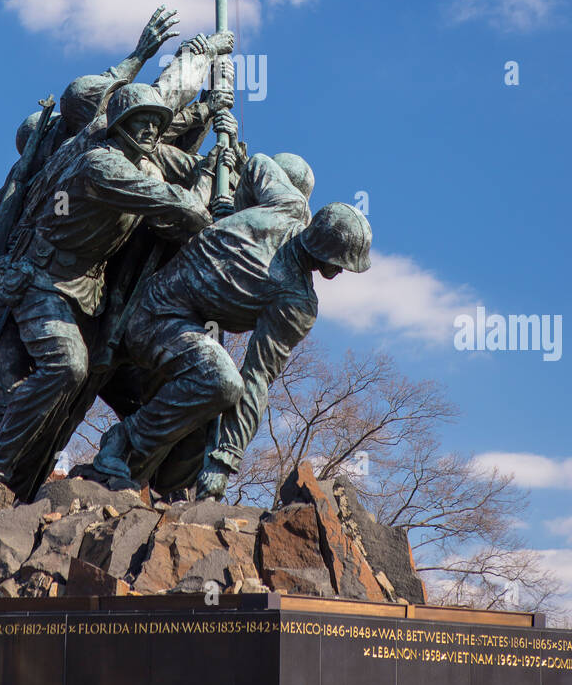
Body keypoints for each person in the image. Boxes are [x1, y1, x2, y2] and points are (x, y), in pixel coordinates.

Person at [0, 78, 238, 498]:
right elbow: (180, 207)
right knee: (66, 367)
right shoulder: (102, 165)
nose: (151, 131)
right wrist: (206, 178)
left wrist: (212, 123)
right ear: (119, 125)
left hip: (90, 298)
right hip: (45, 283)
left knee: (132, 385)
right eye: (140, 121)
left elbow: (176, 220)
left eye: (155, 122)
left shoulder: (143, 166)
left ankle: (139, 471)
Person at [93, 156, 372, 498]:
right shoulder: (294, 299)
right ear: (327, 254)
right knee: (222, 383)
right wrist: (225, 462)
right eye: (341, 263)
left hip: (182, 325)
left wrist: (225, 454)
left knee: (204, 422)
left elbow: (257, 164)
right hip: (153, 314)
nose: (342, 272)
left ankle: (154, 483)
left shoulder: (290, 205)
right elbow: (255, 379)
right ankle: (123, 442)